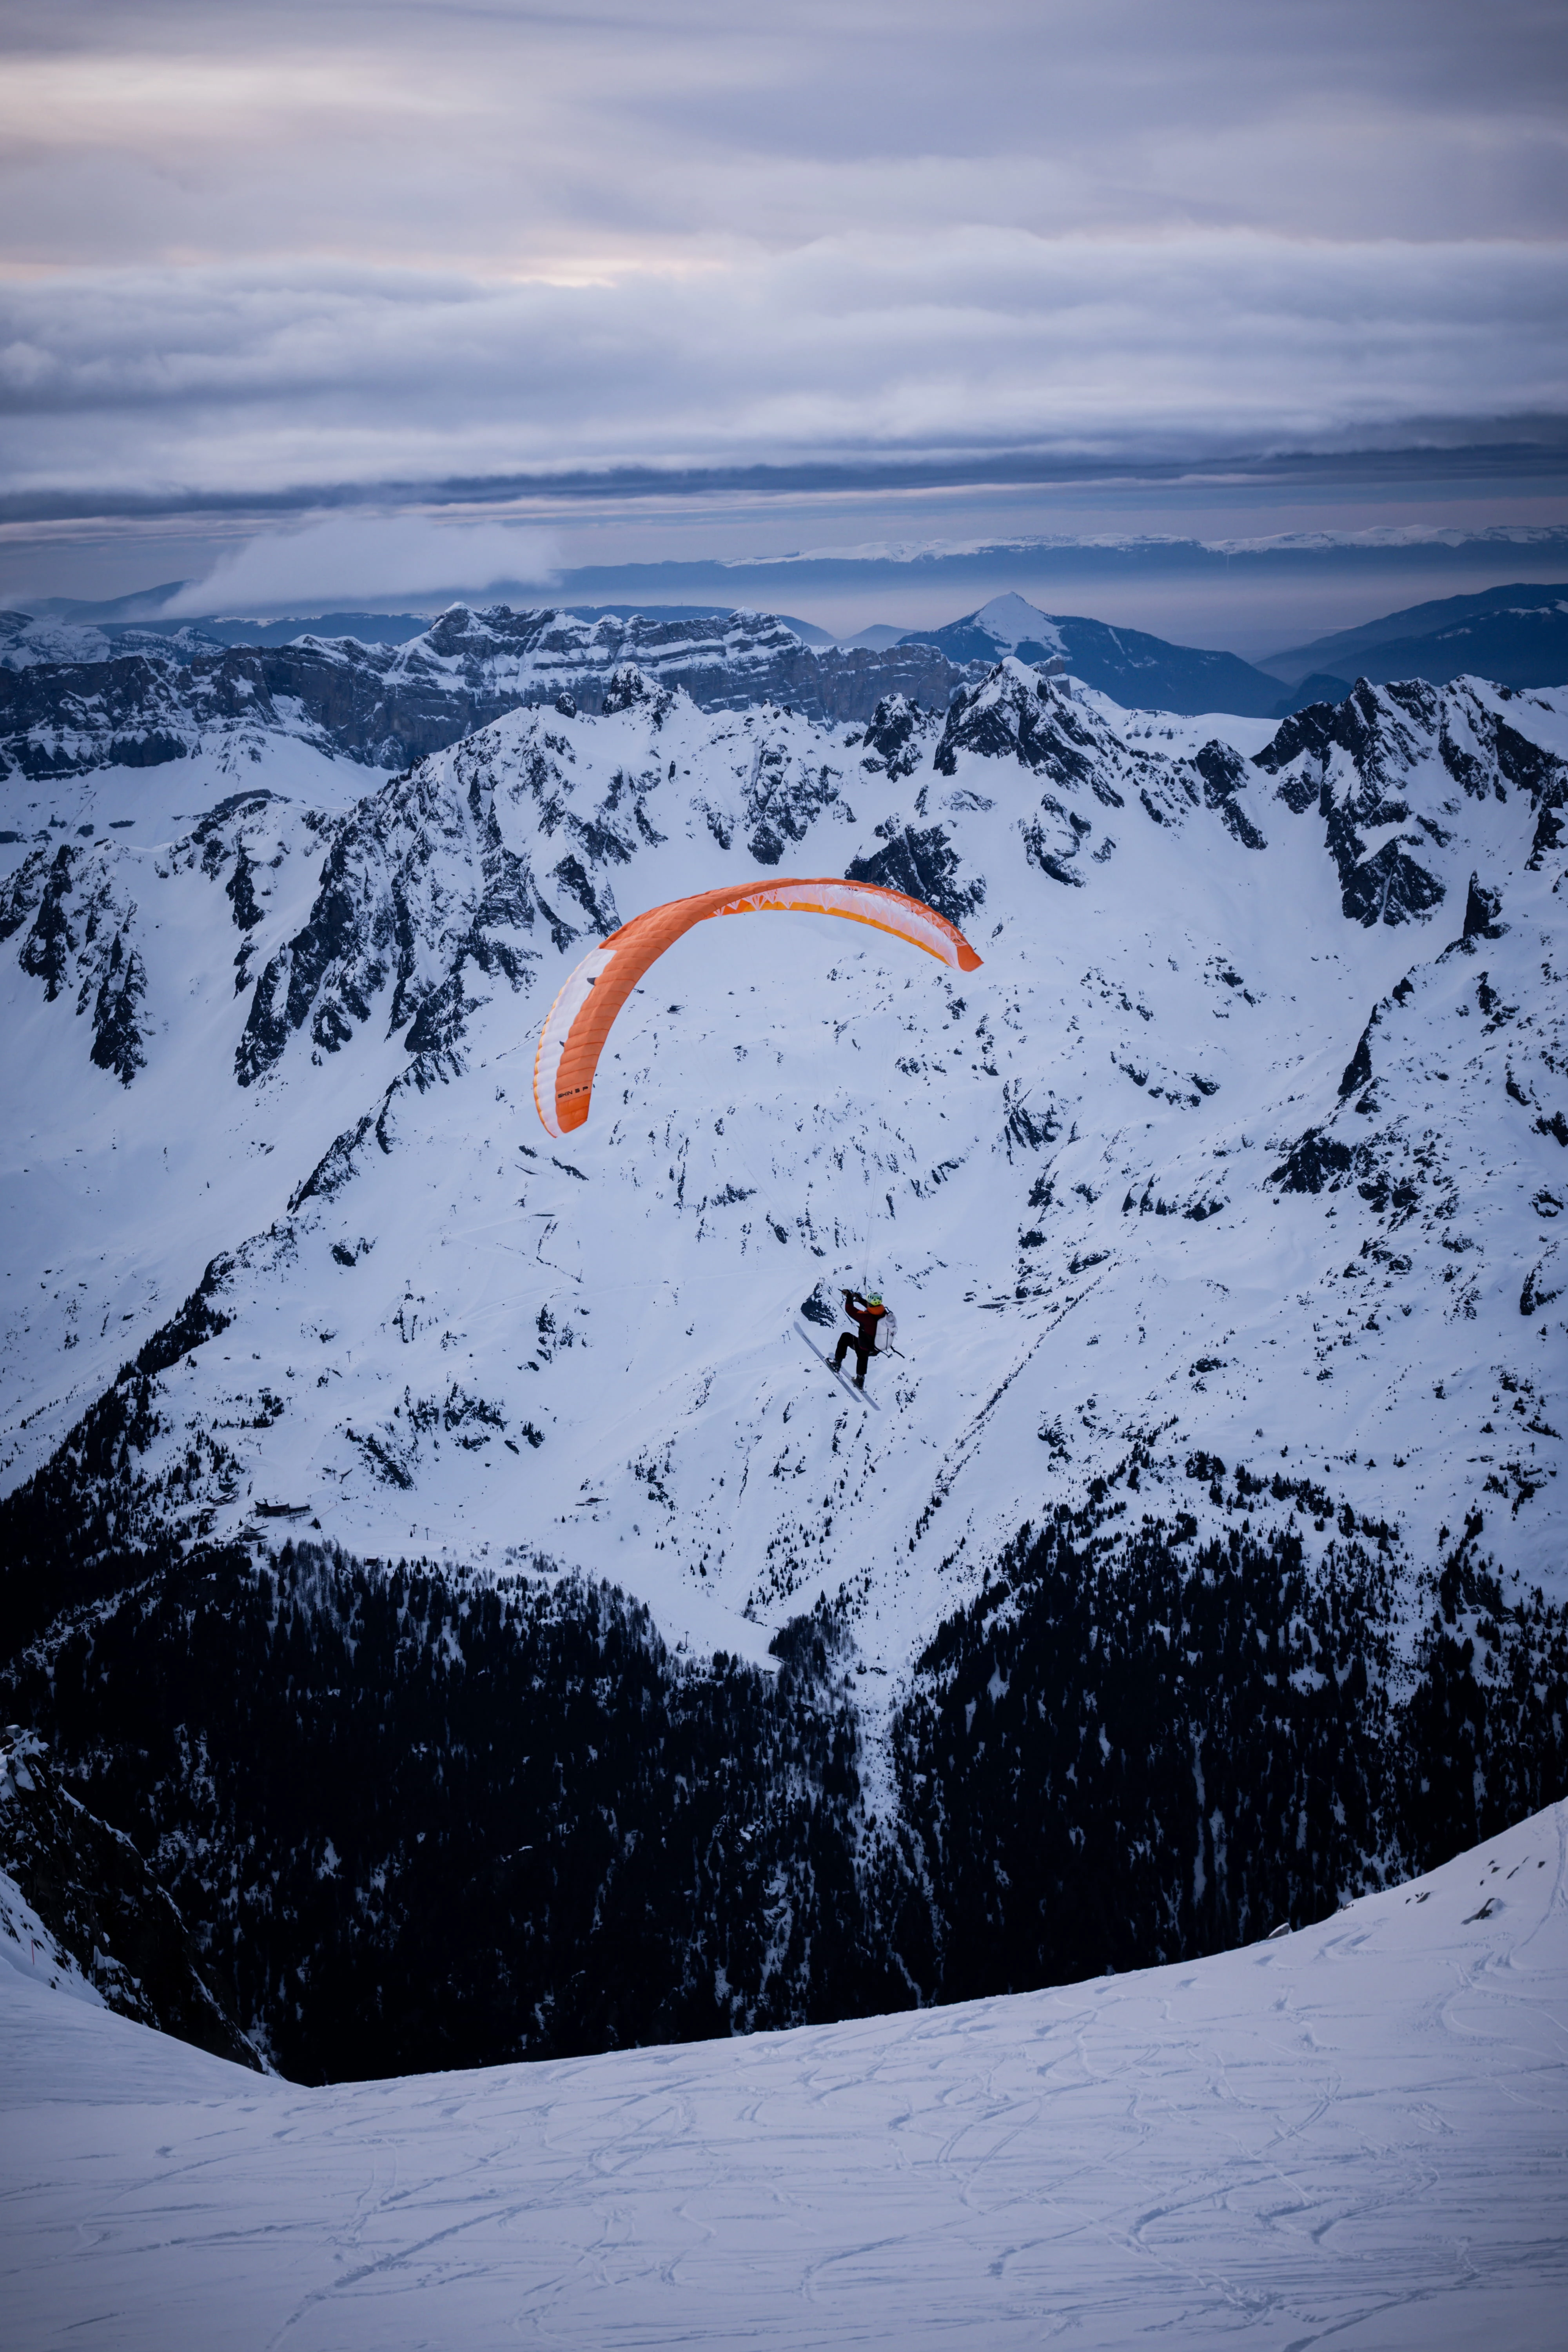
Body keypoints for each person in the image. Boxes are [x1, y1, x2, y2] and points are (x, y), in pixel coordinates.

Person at [831, 1288, 895, 1388]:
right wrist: (860, 1300)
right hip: (877, 1348)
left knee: (846, 1338)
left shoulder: (867, 1318)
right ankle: (860, 1380)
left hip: (866, 1347)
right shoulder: (884, 1313)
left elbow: (850, 1310)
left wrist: (849, 1297)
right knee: (863, 1353)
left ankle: (836, 1364)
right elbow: (872, 1308)